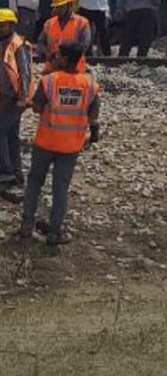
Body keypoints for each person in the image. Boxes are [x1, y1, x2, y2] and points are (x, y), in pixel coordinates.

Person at [18, 43, 100, 247]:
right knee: (60, 187)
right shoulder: (89, 84)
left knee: (35, 181)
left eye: (58, 55)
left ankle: (27, 223)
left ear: (64, 59)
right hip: (71, 145)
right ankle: (55, 232)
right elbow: (93, 115)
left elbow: (37, 108)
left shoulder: (49, 81)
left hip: (46, 141)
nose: (54, 57)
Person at [0, 9, 33, 190]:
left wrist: (23, 97)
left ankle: (6, 172)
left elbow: (25, 72)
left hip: (15, 98)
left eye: (2, 25)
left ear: (11, 25)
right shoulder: (3, 42)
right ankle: (17, 174)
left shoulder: (17, 44)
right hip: (4, 97)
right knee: (12, 135)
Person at [37, 0, 91, 74]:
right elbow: (41, 43)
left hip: (74, 70)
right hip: (52, 69)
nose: (56, 9)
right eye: (55, 7)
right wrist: (47, 55)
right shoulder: (49, 23)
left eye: (59, 7)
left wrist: (64, 58)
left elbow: (83, 46)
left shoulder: (82, 23)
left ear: (69, 5)